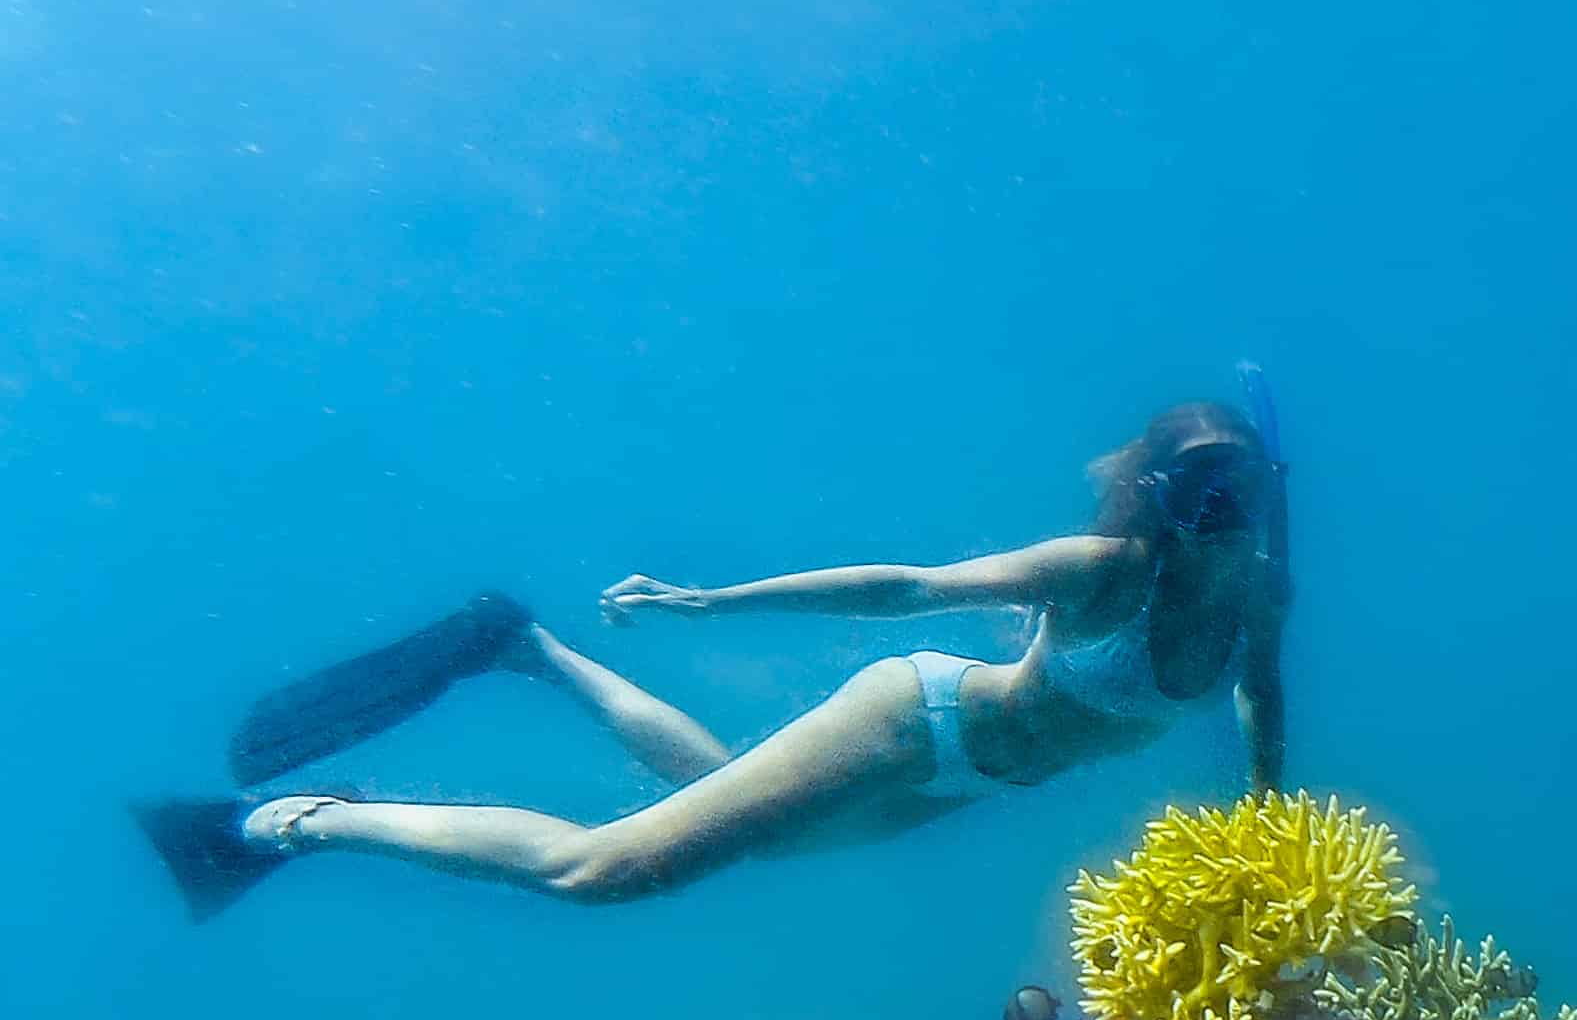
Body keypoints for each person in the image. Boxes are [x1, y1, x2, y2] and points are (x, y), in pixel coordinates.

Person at [135, 400, 1288, 919]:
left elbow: (1261, 709)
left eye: (1237, 490)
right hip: (918, 724)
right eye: (1197, 490)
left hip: (972, 781)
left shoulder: (1260, 600)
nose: (1218, 513)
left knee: (716, 811)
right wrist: (706, 600)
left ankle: (524, 647)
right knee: (607, 870)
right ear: (1157, 494)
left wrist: (1263, 840)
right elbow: (909, 587)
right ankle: (292, 821)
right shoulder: (1101, 569)